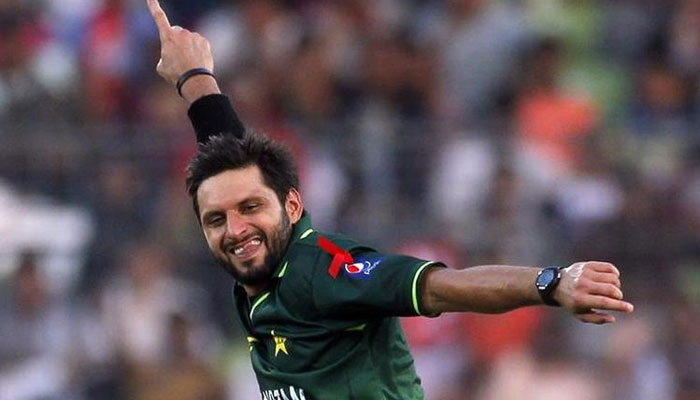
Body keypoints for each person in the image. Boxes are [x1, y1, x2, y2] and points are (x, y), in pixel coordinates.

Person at [145, 1, 635, 399]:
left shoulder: (327, 272)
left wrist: (551, 283)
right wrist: (194, 76)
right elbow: (230, 159)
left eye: (251, 210)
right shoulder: (259, 267)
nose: (234, 229)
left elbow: (444, 287)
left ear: (293, 206)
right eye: (216, 220)